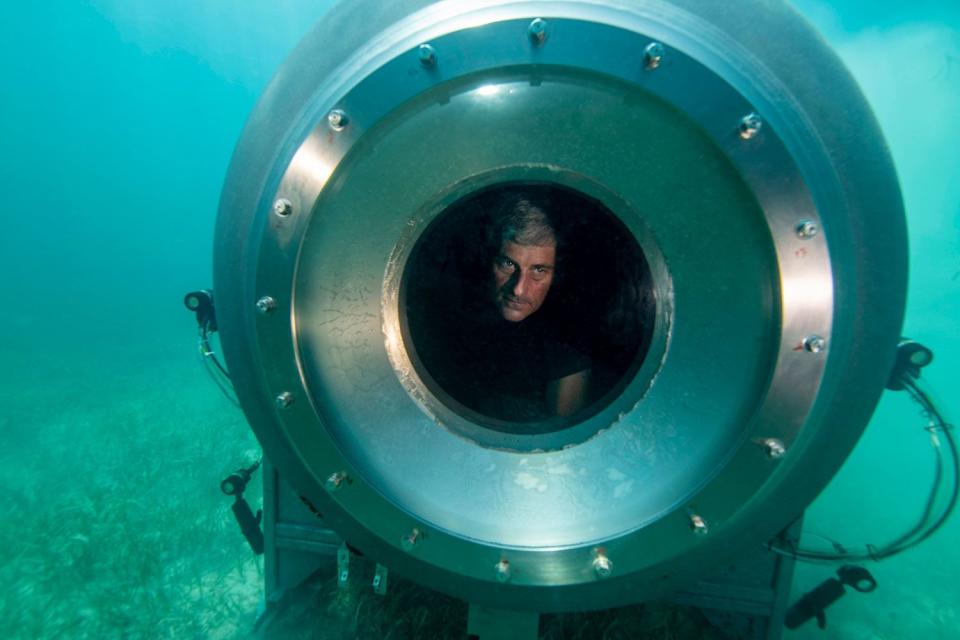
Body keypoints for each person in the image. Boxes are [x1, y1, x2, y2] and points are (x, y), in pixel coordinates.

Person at [422, 192, 591, 424]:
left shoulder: (566, 347)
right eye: (508, 264)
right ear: (490, 258)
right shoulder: (445, 315)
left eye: (539, 270)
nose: (519, 289)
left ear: (556, 275)